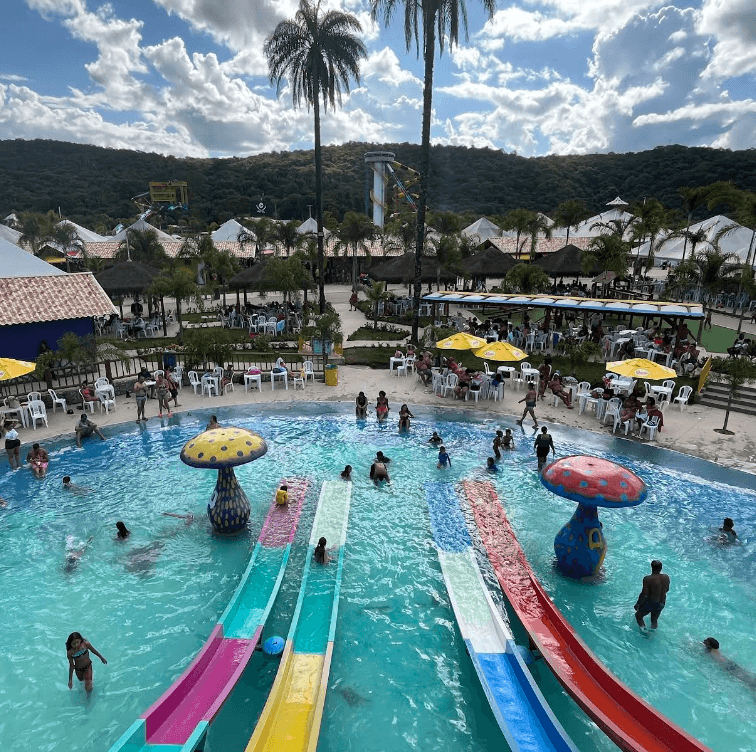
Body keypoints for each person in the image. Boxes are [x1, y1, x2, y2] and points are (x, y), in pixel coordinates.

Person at [634, 560, 670, 629]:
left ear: (652, 567)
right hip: (661, 603)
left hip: (650, 603)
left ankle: (644, 630)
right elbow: (667, 590)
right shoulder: (666, 577)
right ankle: (652, 632)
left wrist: (638, 604)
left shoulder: (647, 579)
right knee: (654, 620)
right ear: (661, 568)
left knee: (638, 616)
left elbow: (644, 594)